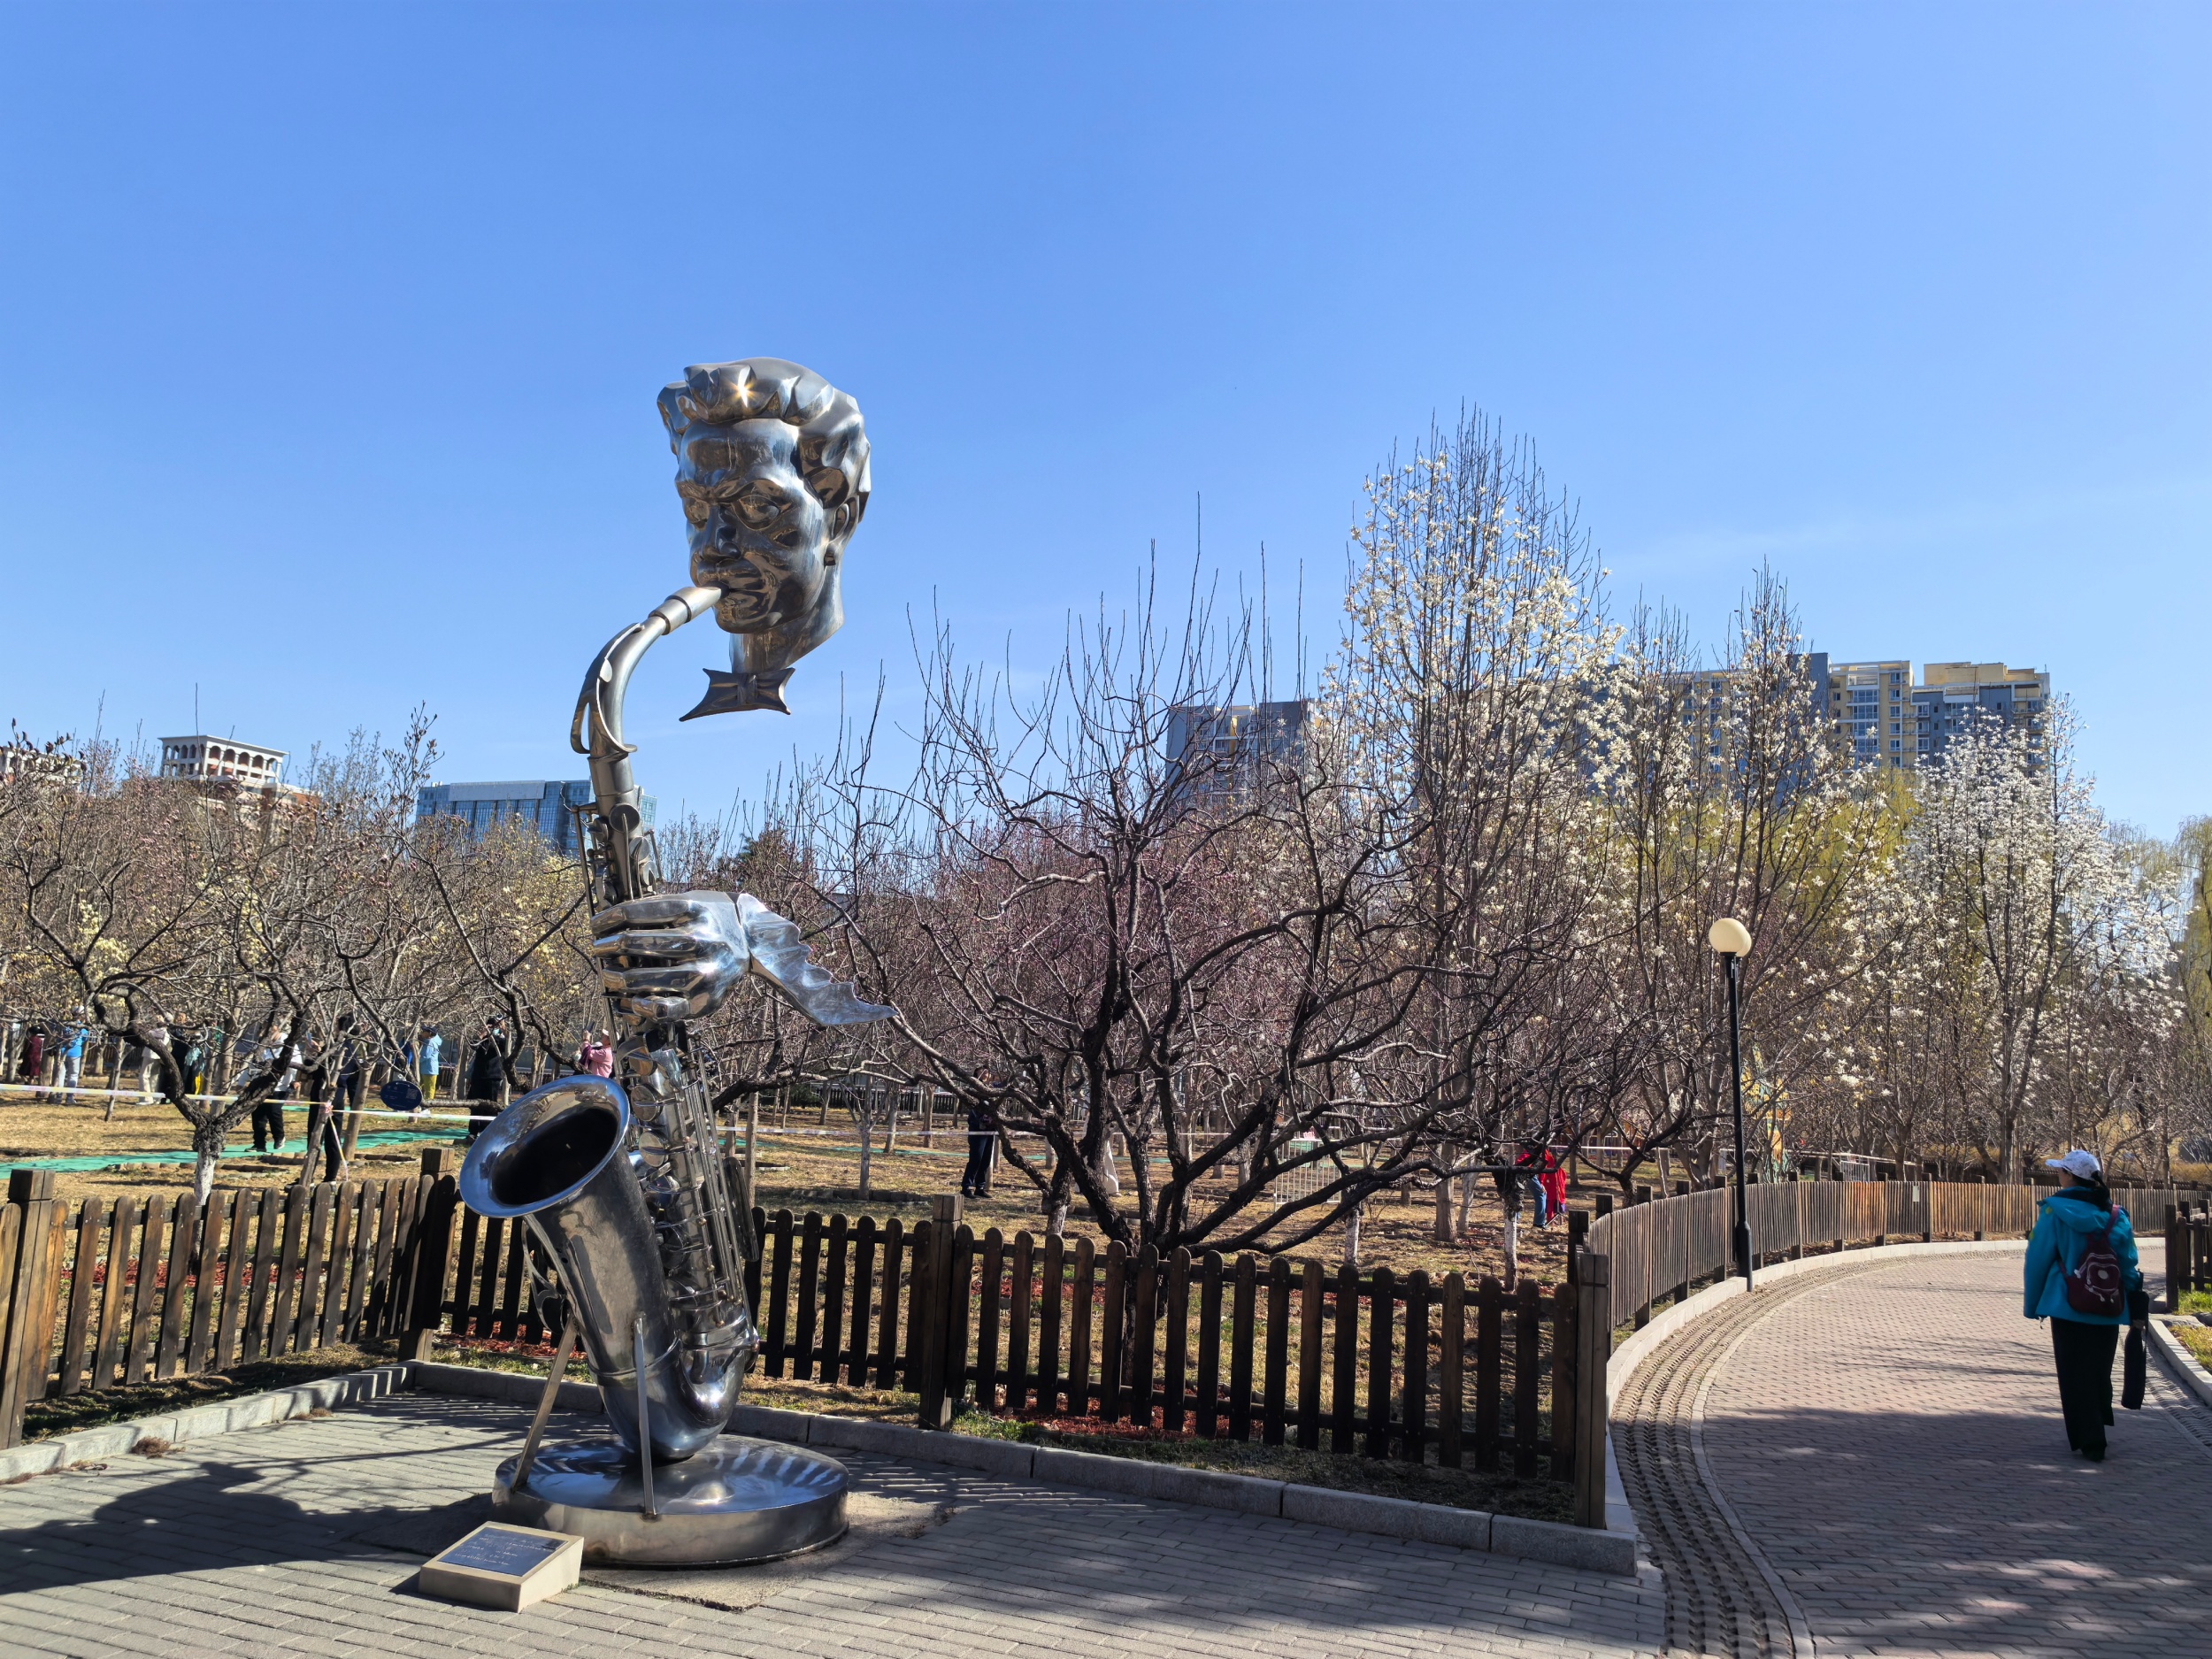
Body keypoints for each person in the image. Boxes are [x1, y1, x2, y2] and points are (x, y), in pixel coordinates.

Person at [2023, 1148, 2145, 1462]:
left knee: (2073, 1371)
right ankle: (2098, 1425)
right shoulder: (2117, 1216)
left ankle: (2090, 1439)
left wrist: (2033, 1303)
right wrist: (2131, 1303)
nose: (2058, 1176)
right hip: (2108, 1305)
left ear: (2069, 1177)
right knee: (2099, 1370)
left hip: (2067, 1305)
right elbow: (2129, 1264)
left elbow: (2037, 1260)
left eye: (2060, 1171)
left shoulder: (2054, 1212)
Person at [465, 1016, 511, 1141]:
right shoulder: (482, 1040)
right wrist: (482, 1033)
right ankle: (473, 1132)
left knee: (491, 1106)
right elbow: (473, 1045)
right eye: (491, 1026)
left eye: (496, 1026)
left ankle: (487, 1132)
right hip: (478, 1077)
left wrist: (504, 1029)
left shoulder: (500, 1041)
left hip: (493, 1077)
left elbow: (509, 1046)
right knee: (476, 1106)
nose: (493, 1029)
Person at [960, 1104, 995, 1199]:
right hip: (977, 1132)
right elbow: (973, 1117)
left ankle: (980, 1188)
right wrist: (981, 1121)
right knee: (976, 1160)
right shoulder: (975, 1101)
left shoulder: (994, 1099)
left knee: (985, 1161)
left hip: (989, 1132)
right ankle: (966, 1187)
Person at [417, 1025, 443, 1101]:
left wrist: (416, 1061)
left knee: (429, 1089)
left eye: (424, 1031)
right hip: (427, 1068)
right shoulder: (429, 1041)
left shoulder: (430, 1042)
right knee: (423, 1087)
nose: (422, 1033)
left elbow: (425, 1056)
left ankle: (427, 1106)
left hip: (429, 1069)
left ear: (429, 1033)